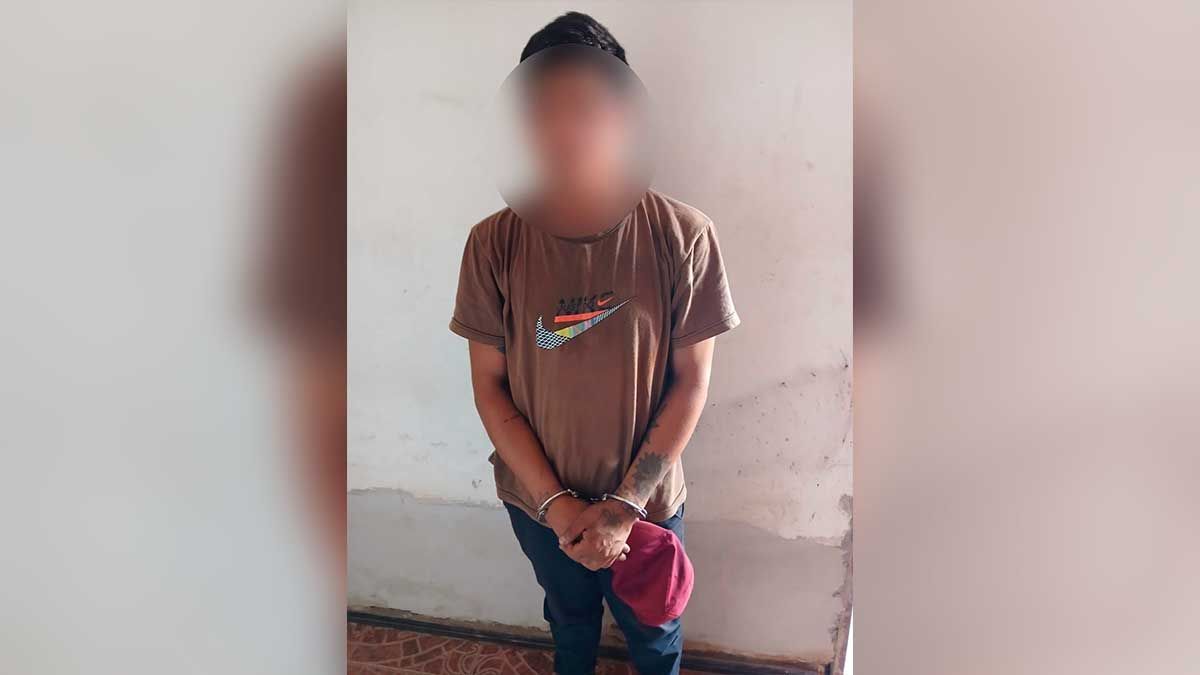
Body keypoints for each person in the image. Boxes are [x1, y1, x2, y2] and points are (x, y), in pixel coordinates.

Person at [450, 12, 739, 675]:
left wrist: (623, 508)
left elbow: (692, 381)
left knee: (656, 633)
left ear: (622, 112)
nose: (564, 128)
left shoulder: (682, 235)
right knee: (569, 621)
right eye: (543, 109)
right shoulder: (493, 244)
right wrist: (558, 507)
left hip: (648, 504)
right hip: (536, 503)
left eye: (583, 105)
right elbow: (489, 386)